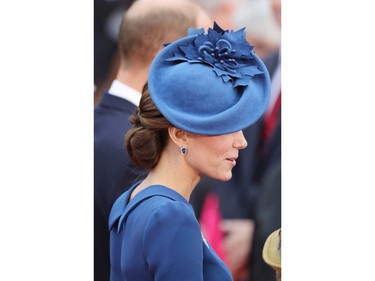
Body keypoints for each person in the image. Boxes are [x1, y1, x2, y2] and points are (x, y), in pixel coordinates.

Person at [108, 22, 271, 280]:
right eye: (228, 128)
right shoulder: (171, 216)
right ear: (180, 133)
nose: (242, 142)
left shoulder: (131, 199)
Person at [94, 1, 211, 280]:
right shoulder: (140, 148)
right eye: (203, 50)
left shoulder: (100, 123)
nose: (210, 66)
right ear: (169, 54)